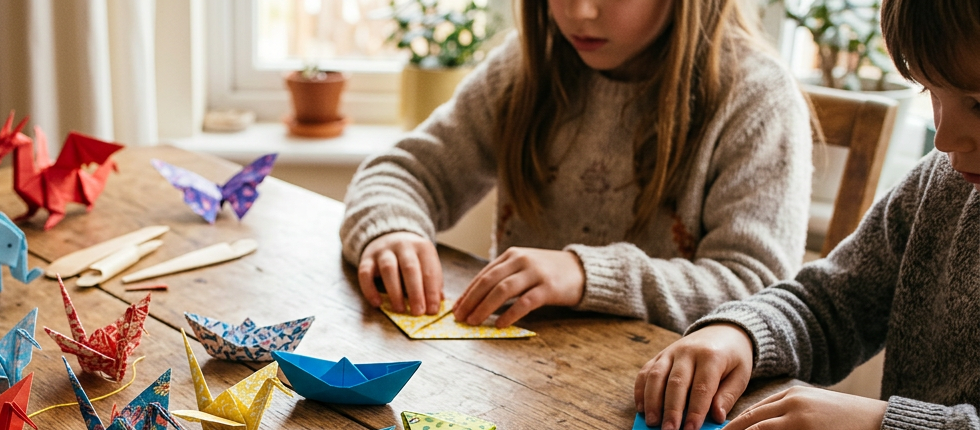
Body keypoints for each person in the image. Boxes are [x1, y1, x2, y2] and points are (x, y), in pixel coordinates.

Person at [634, 0, 980, 430]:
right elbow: (830, 303)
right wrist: (741, 333)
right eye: (930, 91)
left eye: (978, 102)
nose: (945, 138)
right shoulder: (942, 182)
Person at [341, 0, 812, 333]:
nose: (580, 11)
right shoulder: (525, 64)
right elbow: (404, 172)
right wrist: (391, 230)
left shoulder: (757, 97)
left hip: (669, 420)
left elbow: (757, 292)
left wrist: (586, 275)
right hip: (517, 382)